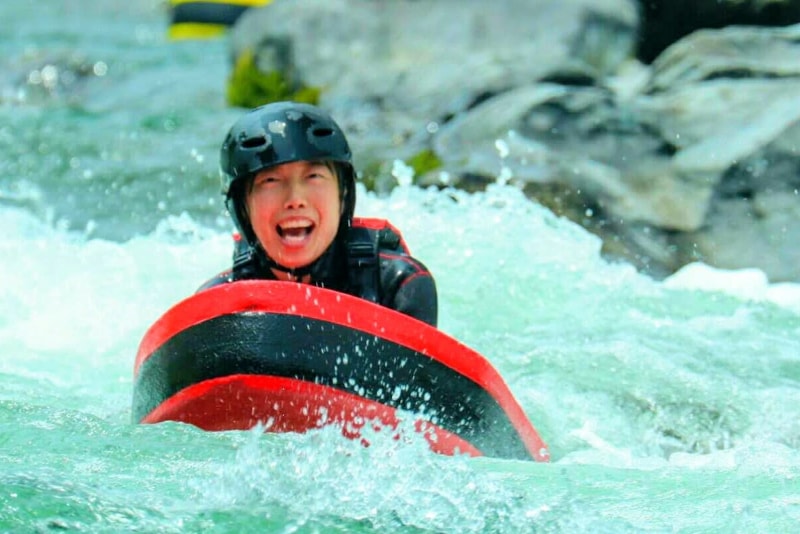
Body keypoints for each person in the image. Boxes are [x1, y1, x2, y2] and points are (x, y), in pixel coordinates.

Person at [199, 101, 438, 327]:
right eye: (270, 181)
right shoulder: (215, 304)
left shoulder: (398, 285)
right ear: (242, 208)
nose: (295, 200)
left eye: (314, 177)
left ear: (342, 195)